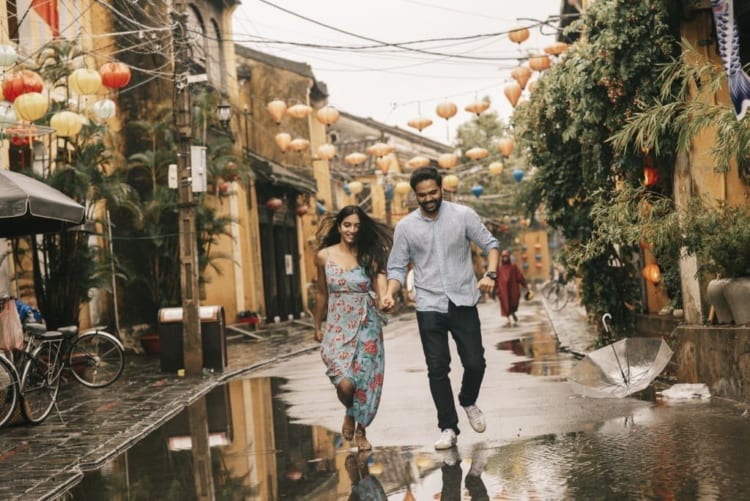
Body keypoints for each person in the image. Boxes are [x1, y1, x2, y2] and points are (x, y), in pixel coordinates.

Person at [381, 167, 500, 450]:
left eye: (433, 192)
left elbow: (490, 245)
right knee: (437, 368)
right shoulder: (406, 227)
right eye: (422, 195)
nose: (429, 198)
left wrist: (490, 274)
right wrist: (389, 293)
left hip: (463, 299)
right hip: (429, 304)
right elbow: (396, 267)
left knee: (475, 363)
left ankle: (468, 400)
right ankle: (448, 427)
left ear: (442, 188)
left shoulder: (463, 216)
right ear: (415, 195)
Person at [312, 205, 392, 451]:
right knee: (345, 384)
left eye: (357, 226)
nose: (352, 230)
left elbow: (380, 285)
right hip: (337, 327)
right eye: (347, 225)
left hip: (366, 326)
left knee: (363, 381)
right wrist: (316, 324)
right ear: (339, 226)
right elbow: (322, 293)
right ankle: (350, 409)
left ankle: (361, 430)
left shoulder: (370, 254)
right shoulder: (324, 256)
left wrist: (386, 298)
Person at [495, 249, 528, 327]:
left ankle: (512, 312)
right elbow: (496, 279)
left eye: (506, 256)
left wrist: (524, 285)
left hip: (513, 288)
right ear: (502, 258)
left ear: (509, 257)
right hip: (503, 290)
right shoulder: (499, 268)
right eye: (503, 257)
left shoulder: (513, 267)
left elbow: (519, 276)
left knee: (514, 301)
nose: (505, 258)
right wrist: (495, 289)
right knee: (505, 303)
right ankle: (508, 318)